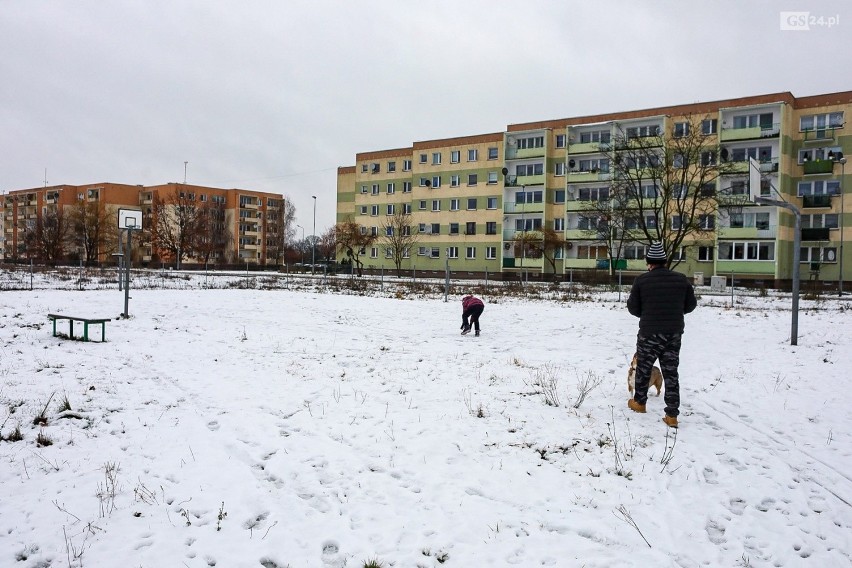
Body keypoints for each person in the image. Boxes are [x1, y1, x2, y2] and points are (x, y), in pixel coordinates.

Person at [626, 242, 697, 428]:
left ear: (649, 262)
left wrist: (648, 313)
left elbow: (633, 308)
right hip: (673, 334)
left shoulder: (641, 281)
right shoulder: (681, 279)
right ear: (665, 261)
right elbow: (690, 305)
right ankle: (672, 415)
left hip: (649, 333)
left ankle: (639, 403)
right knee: (671, 372)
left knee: (643, 368)